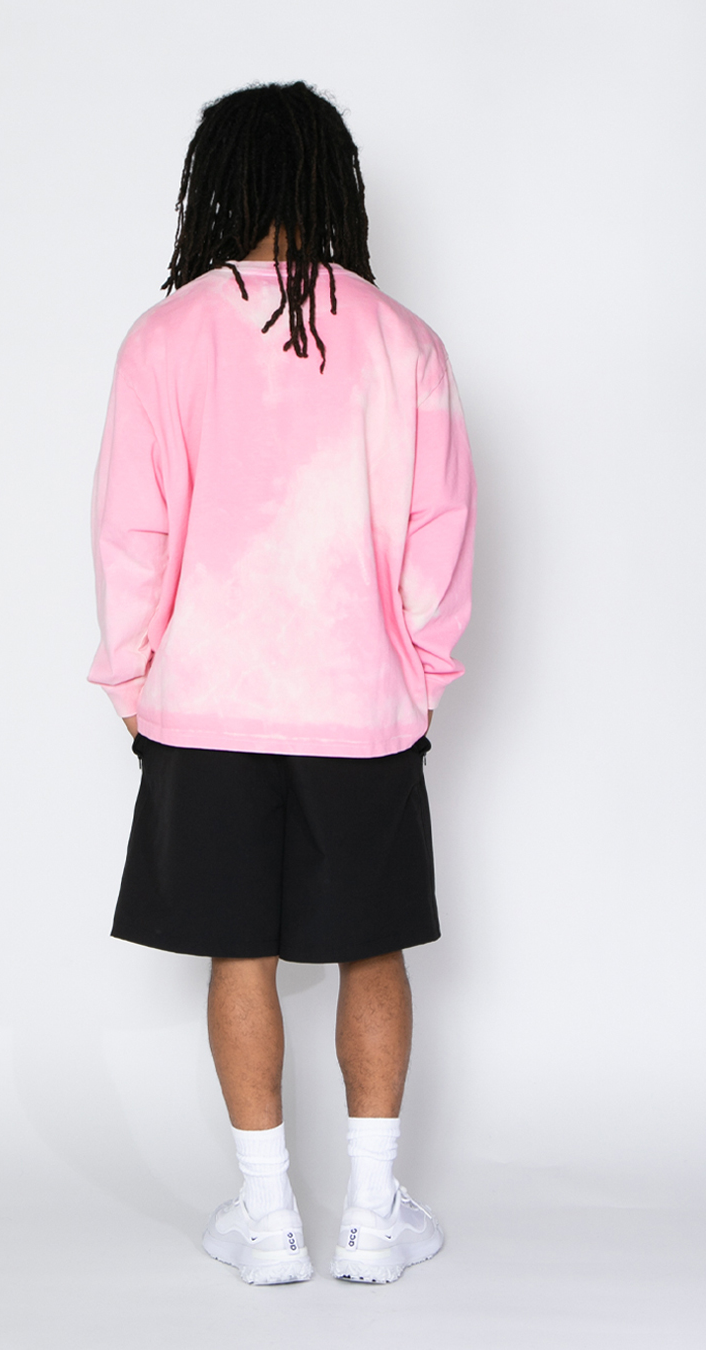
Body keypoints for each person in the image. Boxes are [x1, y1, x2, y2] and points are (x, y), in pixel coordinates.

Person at [88, 80, 476, 1285]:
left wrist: (133, 676)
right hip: (359, 703)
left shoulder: (164, 339)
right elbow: (438, 535)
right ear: (331, 184)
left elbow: (132, 532)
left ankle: (267, 1224)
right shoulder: (403, 342)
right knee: (373, 947)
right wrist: (421, 673)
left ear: (219, 184)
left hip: (205, 698)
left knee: (238, 953)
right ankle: (371, 1219)